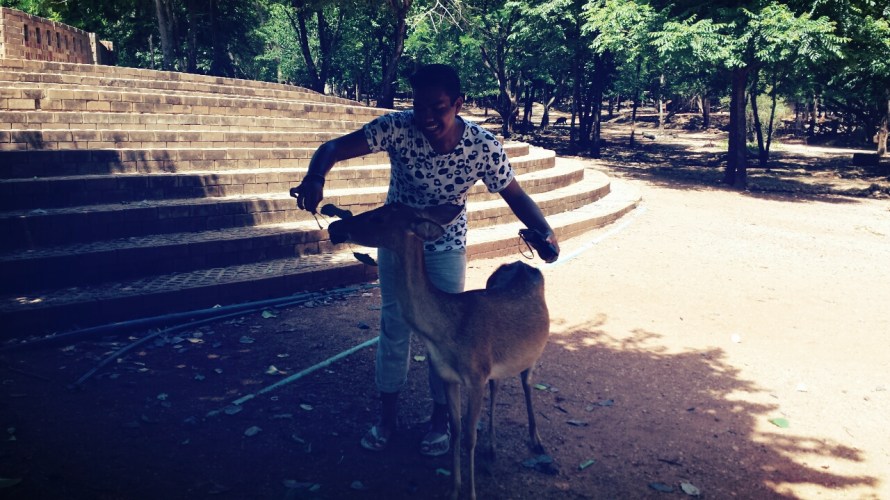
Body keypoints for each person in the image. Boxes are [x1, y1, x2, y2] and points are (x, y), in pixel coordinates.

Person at [289, 63, 559, 457]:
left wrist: (545, 231)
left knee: (447, 335)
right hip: (399, 246)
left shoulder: (482, 146)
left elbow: (514, 194)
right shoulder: (398, 128)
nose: (428, 117)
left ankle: (439, 421)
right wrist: (315, 176)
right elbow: (332, 148)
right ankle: (387, 418)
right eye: (420, 107)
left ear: (458, 104)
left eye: (439, 108)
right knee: (393, 327)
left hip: (446, 244)